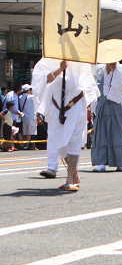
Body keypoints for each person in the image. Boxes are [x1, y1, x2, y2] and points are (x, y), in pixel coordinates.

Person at [32, 58, 99, 190]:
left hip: (76, 105)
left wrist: (89, 106)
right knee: (60, 144)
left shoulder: (80, 58)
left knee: (73, 141)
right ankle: (74, 174)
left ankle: (69, 179)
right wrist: (59, 69)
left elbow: (89, 84)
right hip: (56, 107)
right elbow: (42, 80)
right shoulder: (48, 58)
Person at [92, 39, 122, 173]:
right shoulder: (99, 71)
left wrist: (114, 69)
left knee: (117, 134)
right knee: (101, 134)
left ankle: (119, 162)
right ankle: (101, 162)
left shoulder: (121, 71)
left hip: (116, 105)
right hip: (102, 104)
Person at [3, 84, 23, 149]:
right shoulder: (15, 97)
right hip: (11, 117)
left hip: (7, 116)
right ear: (19, 90)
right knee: (11, 133)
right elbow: (14, 109)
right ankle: (10, 146)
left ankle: (10, 145)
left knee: (9, 133)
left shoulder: (9, 94)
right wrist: (20, 114)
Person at [18, 84, 37, 150]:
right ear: (28, 90)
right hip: (31, 117)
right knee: (29, 132)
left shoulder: (20, 97)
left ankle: (23, 145)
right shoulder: (31, 97)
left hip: (23, 117)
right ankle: (26, 145)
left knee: (25, 132)